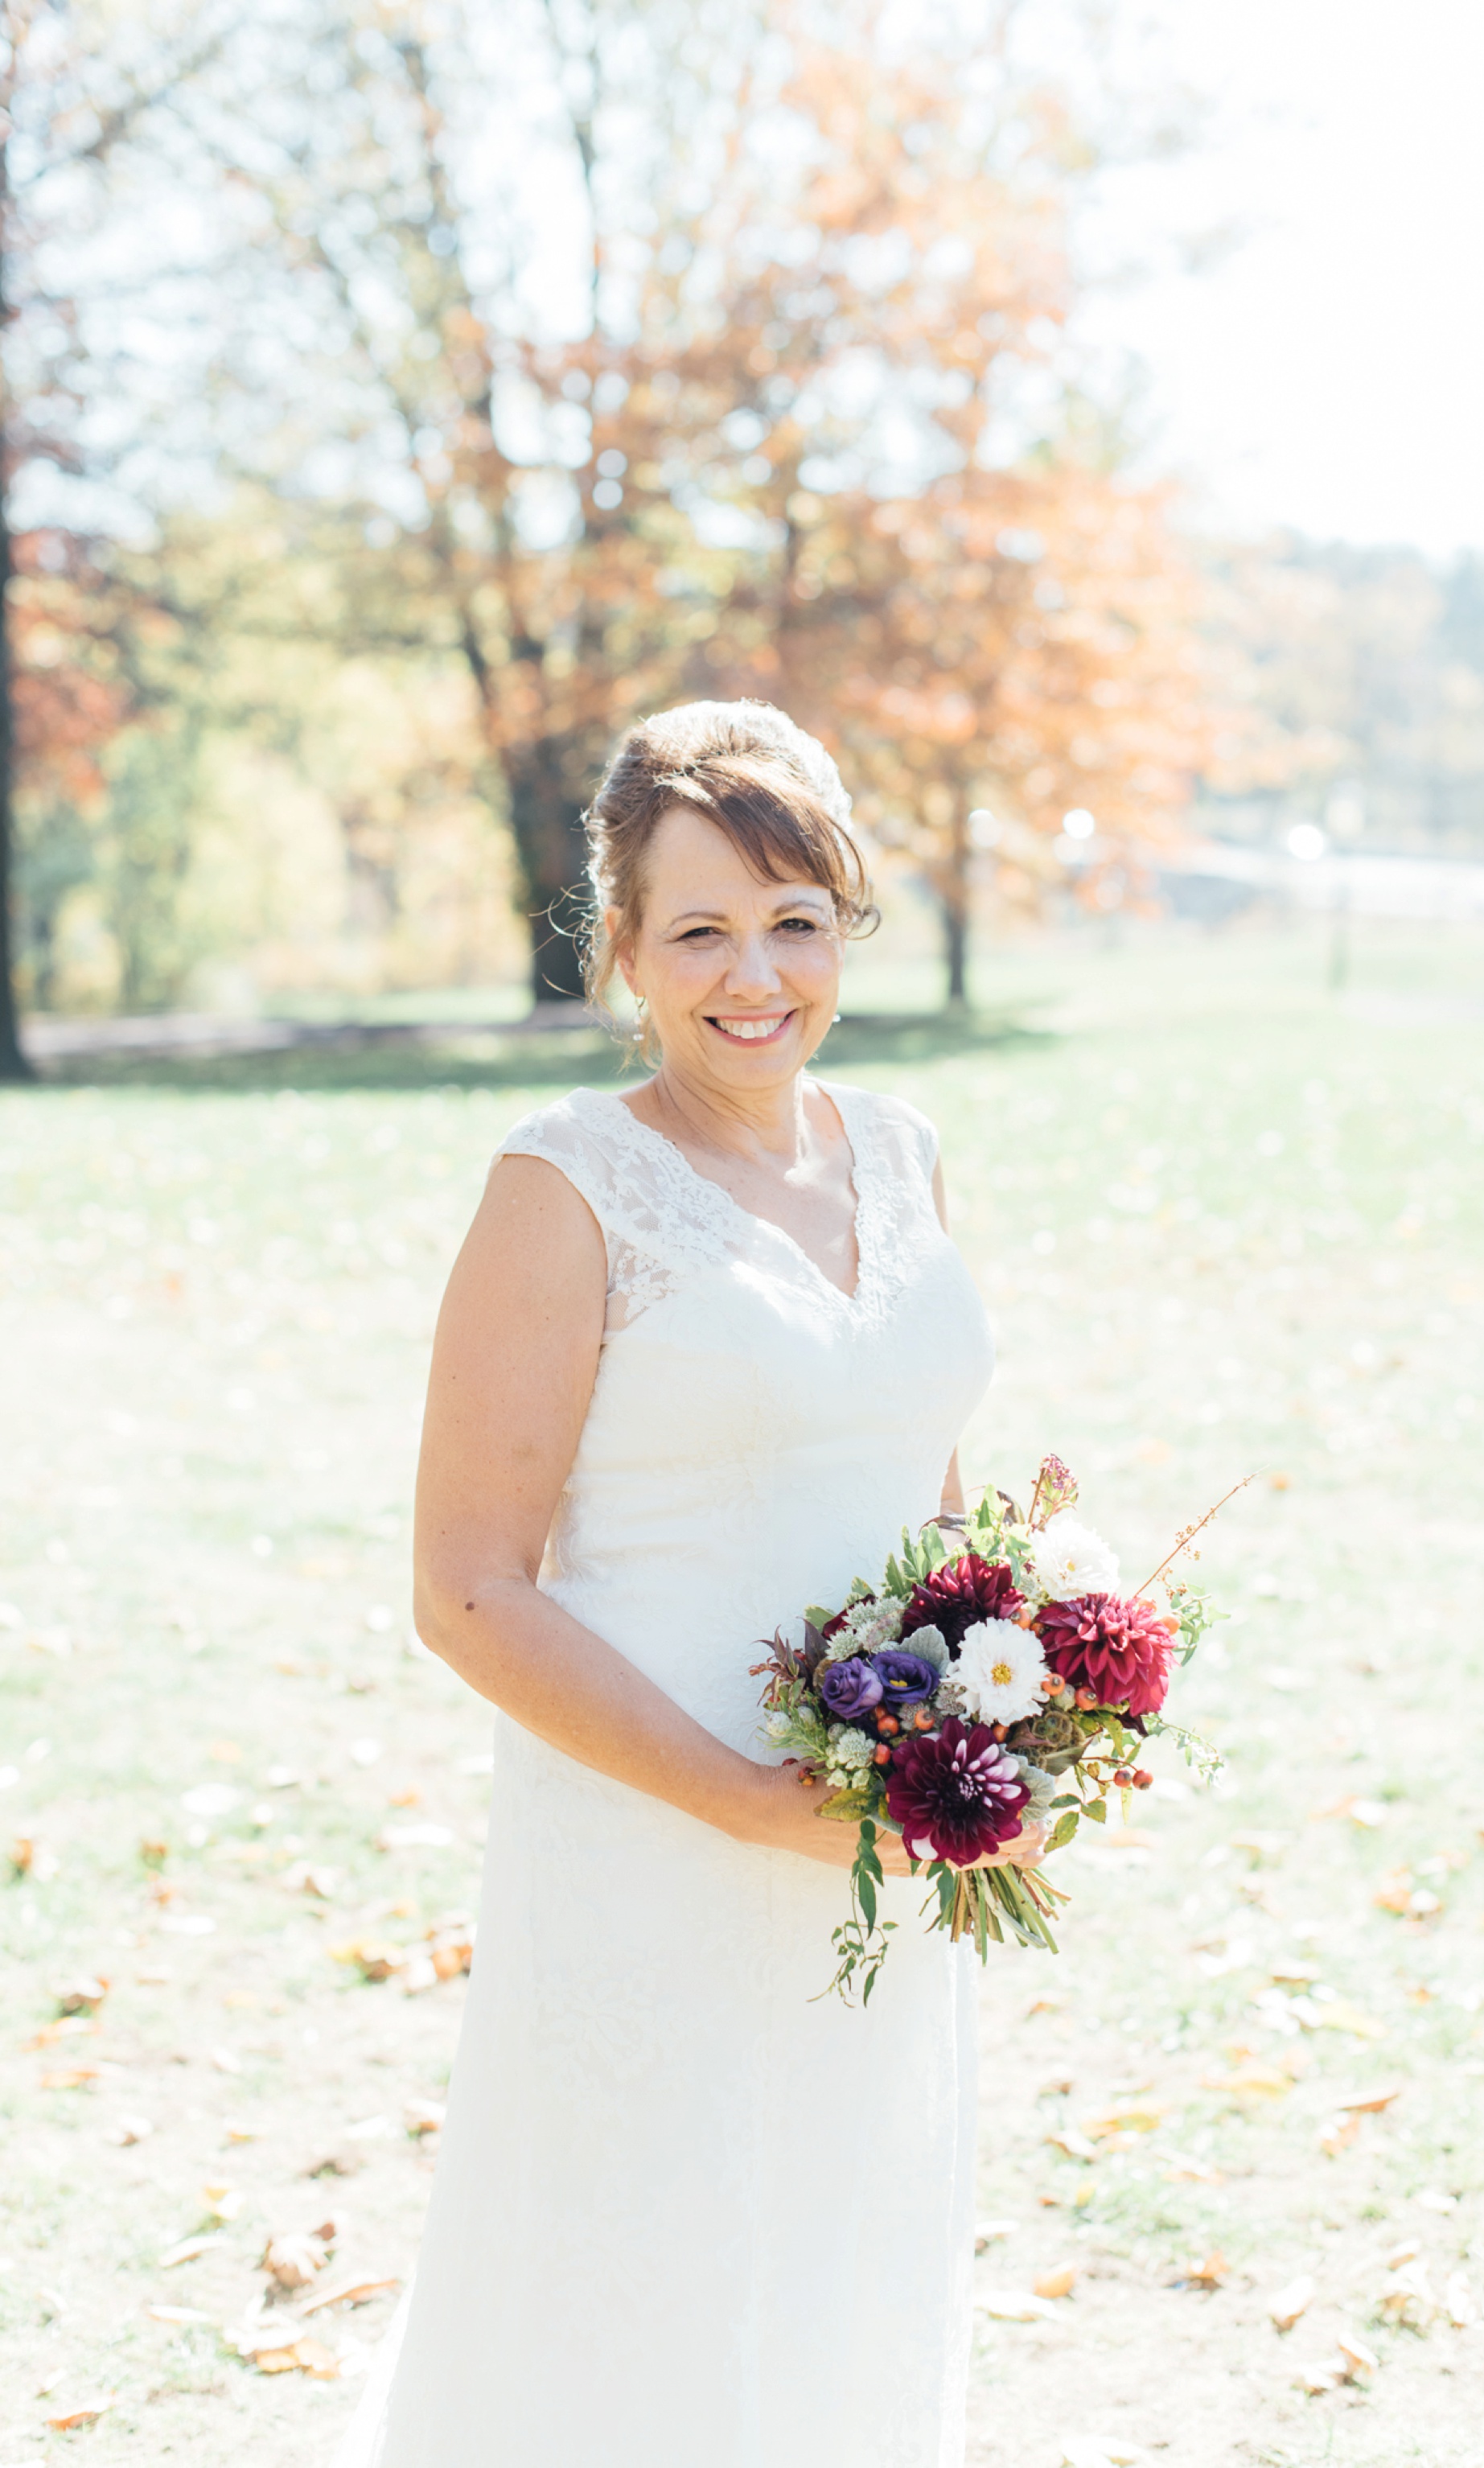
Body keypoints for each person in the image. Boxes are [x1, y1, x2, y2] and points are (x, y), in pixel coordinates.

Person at [335, 699, 1042, 2468]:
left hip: (878, 1833)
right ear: (626, 952)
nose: (757, 973)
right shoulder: (564, 1187)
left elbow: (925, 1495)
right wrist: (741, 1797)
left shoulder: (901, 1151)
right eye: (702, 929)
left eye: (795, 919)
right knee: (630, 2281)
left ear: (844, 924)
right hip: (650, 1835)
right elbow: (467, 1588)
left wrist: (1014, 1713)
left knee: (847, 2247)